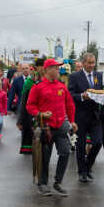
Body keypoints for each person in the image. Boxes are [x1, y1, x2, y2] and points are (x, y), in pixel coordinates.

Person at [26, 58, 77, 196]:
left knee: (65, 152)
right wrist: (41, 114)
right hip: (46, 127)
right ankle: (42, 183)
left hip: (61, 126)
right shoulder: (37, 87)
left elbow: (69, 104)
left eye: (58, 68)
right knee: (44, 157)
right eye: (55, 68)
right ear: (47, 70)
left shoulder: (61, 85)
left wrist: (71, 121)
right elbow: (29, 106)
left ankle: (58, 182)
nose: (58, 70)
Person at [68, 53, 104, 183]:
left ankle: (88, 165)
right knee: (81, 145)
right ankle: (82, 172)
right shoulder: (74, 77)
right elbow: (70, 94)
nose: (91, 65)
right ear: (83, 63)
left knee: (98, 142)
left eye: (93, 63)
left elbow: (101, 92)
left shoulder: (98, 76)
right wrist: (81, 96)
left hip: (96, 116)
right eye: (89, 63)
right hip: (81, 116)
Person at [16, 59, 45, 155]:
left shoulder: (50, 80)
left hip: (46, 115)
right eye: (42, 66)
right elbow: (23, 103)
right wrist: (20, 121)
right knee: (35, 140)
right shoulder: (29, 82)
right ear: (37, 68)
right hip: (32, 116)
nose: (44, 69)